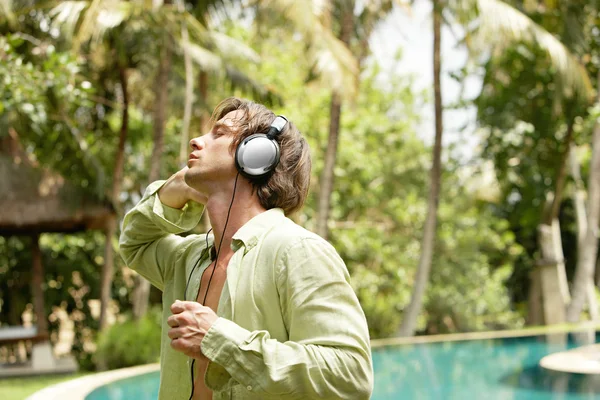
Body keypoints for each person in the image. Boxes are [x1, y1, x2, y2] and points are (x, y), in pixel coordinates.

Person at [119, 97, 373, 400]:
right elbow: (135, 242)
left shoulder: (297, 251)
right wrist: (178, 187)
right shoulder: (187, 259)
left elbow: (350, 374)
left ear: (256, 155)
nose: (196, 140)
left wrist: (218, 340)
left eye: (219, 133)